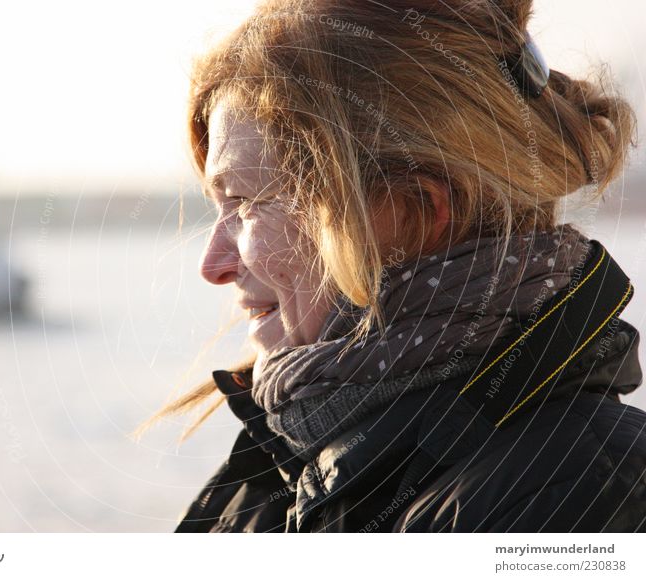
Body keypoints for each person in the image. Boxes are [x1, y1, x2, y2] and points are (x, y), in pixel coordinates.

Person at [139, 0, 646, 532]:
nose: (213, 265)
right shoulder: (279, 472)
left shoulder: (585, 494)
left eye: (247, 201)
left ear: (416, 211)